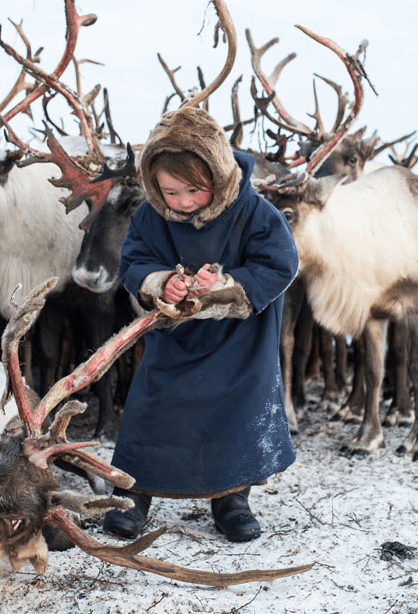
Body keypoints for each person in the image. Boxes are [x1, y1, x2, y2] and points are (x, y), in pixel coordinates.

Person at [103, 105, 299, 543]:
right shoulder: (150, 216)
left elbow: (281, 263)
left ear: (219, 174)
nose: (184, 202)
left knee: (233, 416)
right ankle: (132, 495)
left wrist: (225, 286)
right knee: (150, 409)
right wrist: (162, 283)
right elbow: (134, 260)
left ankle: (231, 499)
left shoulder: (256, 212)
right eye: (171, 193)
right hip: (175, 339)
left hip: (239, 341)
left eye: (194, 190)